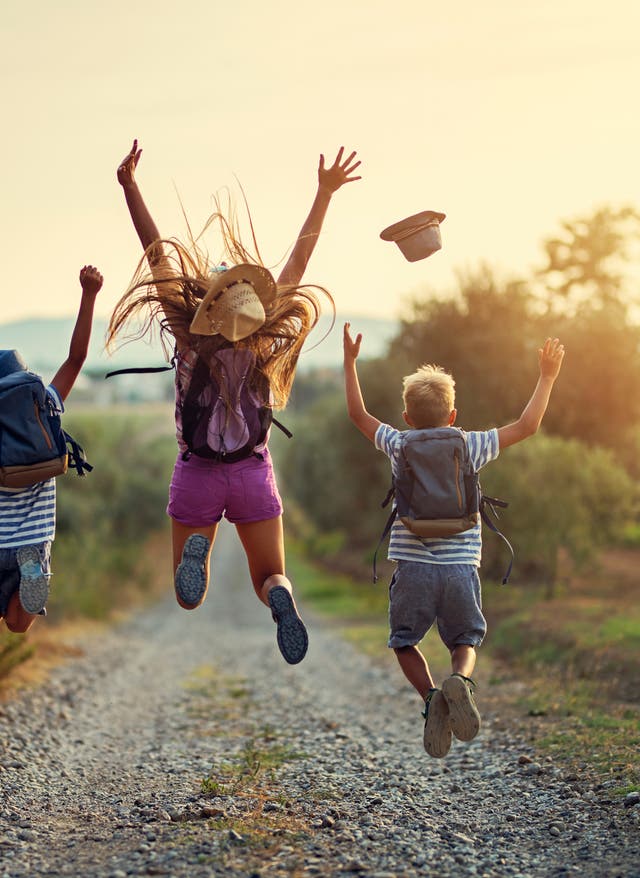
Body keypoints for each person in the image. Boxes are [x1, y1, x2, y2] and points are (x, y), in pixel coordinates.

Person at [108, 140, 361, 665]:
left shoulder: (189, 339)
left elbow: (157, 252)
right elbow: (300, 256)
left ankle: (198, 558)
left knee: (186, 595)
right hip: (252, 472)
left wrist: (131, 188)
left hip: (198, 469)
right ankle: (281, 597)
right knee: (268, 574)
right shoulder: (264, 338)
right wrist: (324, 193)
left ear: (203, 302)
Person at [343, 323, 565, 756]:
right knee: (466, 639)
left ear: (407, 417)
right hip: (461, 567)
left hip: (413, 569)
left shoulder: (398, 442)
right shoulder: (471, 444)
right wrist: (547, 375)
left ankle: (430, 698)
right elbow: (528, 425)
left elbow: (357, 415)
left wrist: (351, 363)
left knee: (404, 641)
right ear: (452, 416)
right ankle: (459, 680)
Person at [0, 266, 103, 632]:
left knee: (7, 626)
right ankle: (32, 573)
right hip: (33, 537)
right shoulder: (45, 405)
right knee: (18, 623)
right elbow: (76, 359)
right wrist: (89, 294)